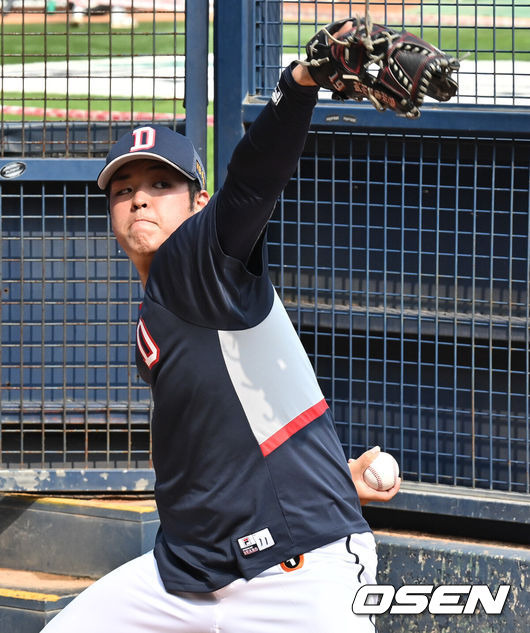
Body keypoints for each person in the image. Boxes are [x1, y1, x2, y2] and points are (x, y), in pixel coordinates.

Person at [41, 22, 400, 633]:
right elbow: (228, 444)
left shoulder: (199, 260)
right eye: (124, 190)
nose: (140, 200)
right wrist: (331, 480)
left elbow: (254, 179)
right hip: (186, 577)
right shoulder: (161, 309)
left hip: (292, 574)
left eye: (162, 184)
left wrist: (300, 81)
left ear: (199, 206)